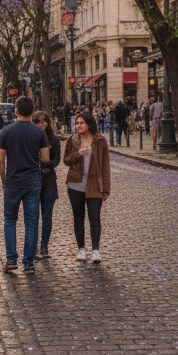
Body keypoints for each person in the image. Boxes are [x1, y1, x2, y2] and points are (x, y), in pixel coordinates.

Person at [0, 96, 50, 273]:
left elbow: (0, 159)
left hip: (12, 182)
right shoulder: (39, 132)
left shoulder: (6, 131)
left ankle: (11, 260)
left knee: (10, 221)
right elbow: (45, 158)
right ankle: (28, 263)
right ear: (33, 111)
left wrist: (4, 180)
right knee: (32, 222)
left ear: (16, 111)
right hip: (32, 182)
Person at [63, 110, 110, 262]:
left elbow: (105, 165)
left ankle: (96, 250)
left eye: (81, 123)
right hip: (75, 185)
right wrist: (79, 155)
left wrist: (106, 189)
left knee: (94, 217)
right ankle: (81, 248)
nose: (78, 125)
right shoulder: (73, 140)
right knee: (78, 217)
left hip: (95, 185)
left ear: (89, 124)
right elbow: (66, 160)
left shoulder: (100, 141)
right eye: (77, 123)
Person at [31, 110, 61, 261]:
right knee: (34, 217)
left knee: (47, 216)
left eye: (44, 120)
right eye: (39, 121)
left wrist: (46, 162)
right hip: (34, 181)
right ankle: (34, 247)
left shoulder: (53, 139)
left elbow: (57, 160)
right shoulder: (30, 138)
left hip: (49, 180)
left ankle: (44, 246)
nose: (42, 123)